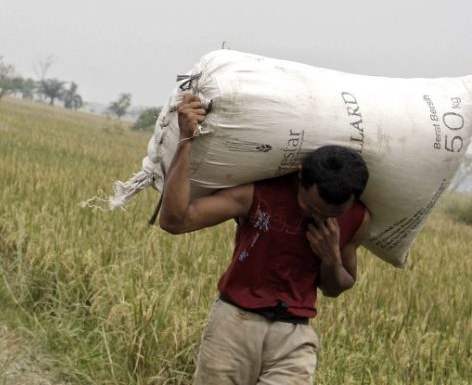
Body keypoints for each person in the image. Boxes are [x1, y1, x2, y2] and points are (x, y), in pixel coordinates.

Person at [159, 93, 370, 385]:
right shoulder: (257, 194)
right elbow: (175, 221)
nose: (319, 218)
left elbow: (338, 286)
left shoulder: (358, 218)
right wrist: (186, 140)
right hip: (234, 324)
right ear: (300, 178)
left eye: (331, 213)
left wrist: (330, 258)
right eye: (311, 207)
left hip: (294, 336)